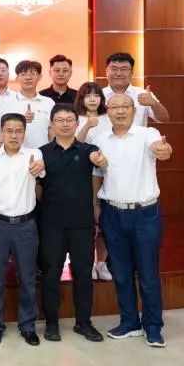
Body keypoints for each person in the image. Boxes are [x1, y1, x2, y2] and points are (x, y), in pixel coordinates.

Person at [93, 93, 173, 348]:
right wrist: (96, 207)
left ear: (133, 110)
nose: (120, 111)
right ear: (107, 112)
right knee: (121, 273)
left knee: (148, 273)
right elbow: (96, 174)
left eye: (125, 106)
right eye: (114, 107)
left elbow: (161, 149)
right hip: (112, 213)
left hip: (144, 214)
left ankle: (153, 326)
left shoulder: (147, 134)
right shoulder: (100, 139)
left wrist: (164, 150)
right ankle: (129, 322)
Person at [37, 104, 108, 343]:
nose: (65, 124)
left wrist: (100, 159)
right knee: (51, 275)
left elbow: (101, 162)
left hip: (82, 225)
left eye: (69, 120)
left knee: (84, 275)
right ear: (52, 124)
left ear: (77, 124)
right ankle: (51, 323)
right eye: (60, 120)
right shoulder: (41, 153)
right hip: (52, 225)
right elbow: (36, 187)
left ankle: (84, 323)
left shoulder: (89, 150)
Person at [0, 113, 46, 346]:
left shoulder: (34, 155)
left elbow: (41, 170)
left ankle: (27, 325)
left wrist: (40, 167)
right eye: (9, 131)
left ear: (24, 133)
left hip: (26, 226)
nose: (14, 136)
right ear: (1, 132)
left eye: (19, 131)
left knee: (27, 278)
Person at [74, 81, 113, 281]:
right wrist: (87, 125)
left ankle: (101, 263)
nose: (92, 99)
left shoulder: (109, 118)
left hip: (106, 174)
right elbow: (74, 145)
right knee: (87, 220)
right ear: (81, 99)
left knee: (103, 221)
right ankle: (87, 262)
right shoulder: (75, 118)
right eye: (87, 95)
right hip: (82, 175)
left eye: (96, 95)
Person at [0, 59, 55, 150]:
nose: (28, 77)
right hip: (15, 154)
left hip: (43, 154)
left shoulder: (48, 102)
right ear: (17, 78)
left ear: (39, 77)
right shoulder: (6, 103)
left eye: (32, 73)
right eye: (23, 74)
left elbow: (52, 132)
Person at [103, 52, 170, 127]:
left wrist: (154, 104)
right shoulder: (98, 95)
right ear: (107, 72)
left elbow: (163, 119)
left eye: (124, 69)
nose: (118, 73)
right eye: (114, 69)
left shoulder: (143, 94)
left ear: (132, 73)